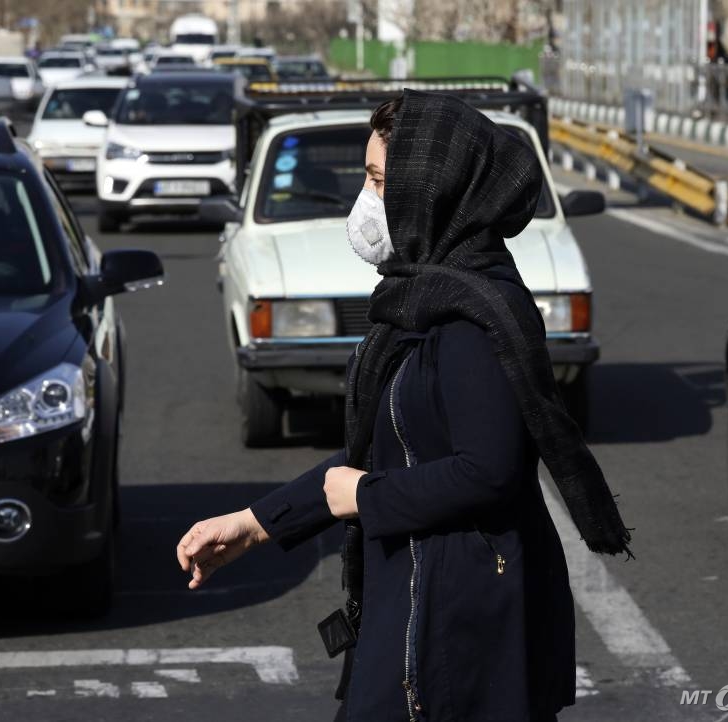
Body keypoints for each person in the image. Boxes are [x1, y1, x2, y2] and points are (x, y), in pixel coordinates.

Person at [177, 91, 633, 721]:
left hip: (458, 625)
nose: (366, 201)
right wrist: (257, 523)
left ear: (432, 189)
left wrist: (364, 498)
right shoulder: (422, 298)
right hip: (422, 596)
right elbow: (384, 450)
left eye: (379, 180)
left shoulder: (471, 319)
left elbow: (489, 471)